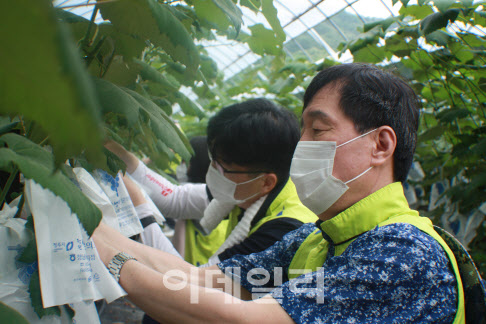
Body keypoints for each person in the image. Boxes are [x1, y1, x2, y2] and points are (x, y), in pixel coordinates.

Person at [93, 63, 469, 323]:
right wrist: (94, 227)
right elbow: (202, 281)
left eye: (318, 130)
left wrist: (110, 261)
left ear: (381, 146)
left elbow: (239, 318)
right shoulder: (316, 239)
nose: (300, 146)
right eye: (302, 130)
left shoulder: (404, 254)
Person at [105, 99, 317, 267]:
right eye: (213, 159)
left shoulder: (283, 233)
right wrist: (115, 152)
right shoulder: (247, 191)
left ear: (266, 182)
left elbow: (193, 285)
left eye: (223, 166)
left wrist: (141, 209)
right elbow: (176, 199)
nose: (214, 170)